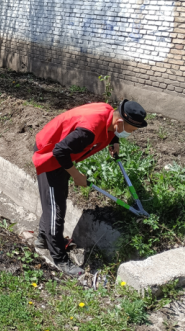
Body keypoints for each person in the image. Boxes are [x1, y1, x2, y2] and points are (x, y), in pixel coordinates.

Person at [32, 99, 148, 276]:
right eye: (130, 130)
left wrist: (114, 140)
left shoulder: (109, 113)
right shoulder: (89, 131)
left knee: (57, 201)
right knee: (56, 210)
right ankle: (60, 259)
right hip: (49, 154)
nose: (130, 134)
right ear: (120, 122)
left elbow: (111, 128)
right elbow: (60, 151)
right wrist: (76, 175)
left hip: (61, 152)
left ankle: (43, 239)